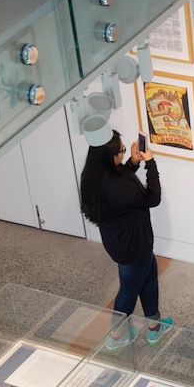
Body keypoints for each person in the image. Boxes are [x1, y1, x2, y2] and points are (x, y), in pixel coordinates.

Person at [79, 130, 172, 350]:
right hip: (134, 246)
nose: (123, 153)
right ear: (110, 156)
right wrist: (150, 163)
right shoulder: (120, 185)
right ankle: (117, 334)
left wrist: (133, 161)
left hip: (120, 243)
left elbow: (120, 183)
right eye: (121, 151)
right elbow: (153, 198)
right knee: (129, 290)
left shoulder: (94, 178)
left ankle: (154, 328)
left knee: (148, 279)